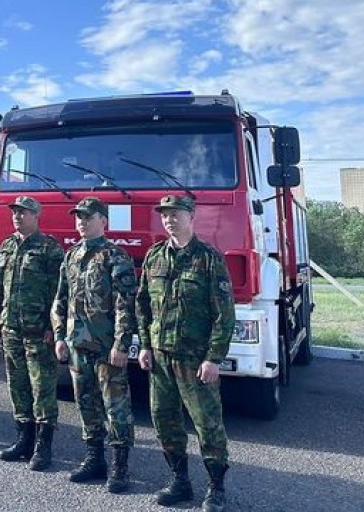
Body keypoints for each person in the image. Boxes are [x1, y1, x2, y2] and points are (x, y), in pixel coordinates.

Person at [137, 195, 235, 512]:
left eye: (175, 214)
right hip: (161, 358)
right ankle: (180, 481)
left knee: (208, 425)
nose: (169, 220)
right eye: (164, 215)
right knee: (165, 422)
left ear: (191, 216)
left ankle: (216, 488)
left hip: (195, 360)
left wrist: (213, 357)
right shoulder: (154, 256)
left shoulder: (208, 258)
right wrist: (145, 345)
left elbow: (224, 314)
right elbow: (142, 305)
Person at [53, 197, 137, 492]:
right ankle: (94, 459)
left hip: (106, 348)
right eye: (78, 217)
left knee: (116, 407)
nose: (81, 222)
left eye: (88, 217)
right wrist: (61, 335)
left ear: (103, 221)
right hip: (78, 346)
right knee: (85, 403)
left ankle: (120, 467)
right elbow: (61, 299)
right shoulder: (72, 255)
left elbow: (126, 304)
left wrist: (122, 343)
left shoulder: (116, 257)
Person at [0, 196, 65, 468]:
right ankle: (23, 440)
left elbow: (59, 294)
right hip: (11, 327)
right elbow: (0, 287)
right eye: (15, 212)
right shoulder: (7, 246)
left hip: (38, 331)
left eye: (24, 213)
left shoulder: (49, 249)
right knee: (18, 385)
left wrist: (52, 327)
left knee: (42, 387)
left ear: (37, 216)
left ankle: (43, 447)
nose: (18, 217)